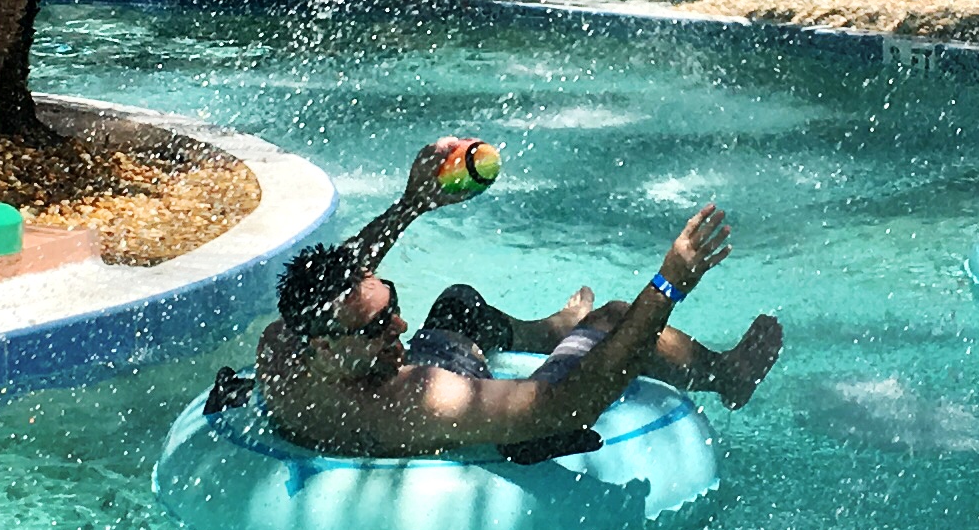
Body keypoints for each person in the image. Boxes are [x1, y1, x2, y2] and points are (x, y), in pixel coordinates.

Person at [253, 145, 776, 457]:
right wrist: (669, 284)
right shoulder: (416, 398)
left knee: (458, 306)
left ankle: (550, 328)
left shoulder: (283, 345)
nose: (400, 325)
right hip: (515, 423)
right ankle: (728, 377)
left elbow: (342, 270)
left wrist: (412, 205)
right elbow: (568, 405)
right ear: (322, 346)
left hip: (366, 399)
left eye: (392, 306)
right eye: (378, 328)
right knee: (616, 319)